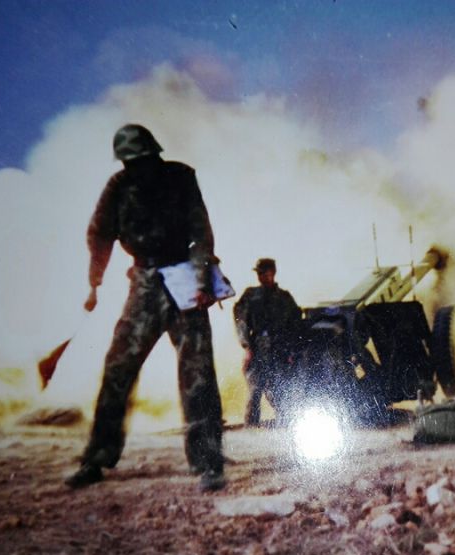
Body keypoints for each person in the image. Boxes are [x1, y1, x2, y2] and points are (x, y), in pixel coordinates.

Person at [65, 123, 226, 492]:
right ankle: (97, 459)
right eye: (131, 162)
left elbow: (201, 232)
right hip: (144, 284)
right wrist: (95, 281)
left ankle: (208, 463)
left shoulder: (181, 178)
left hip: (185, 280)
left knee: (198, 372)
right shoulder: (118, 187)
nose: (138, 167)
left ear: (155, 154)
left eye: (143, 159)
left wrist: (203, 283)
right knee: (118, 367)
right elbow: (99, 233)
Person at [233, 258, 302, 426]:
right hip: (258, 347)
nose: (261, 276)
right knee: (255, 389)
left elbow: (296, 323)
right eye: (259, 273)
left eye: (264, 272)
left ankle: (286, 425)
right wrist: (247, 346)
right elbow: (240, 320)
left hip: (281, 348)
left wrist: (292, 350)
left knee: (279, 391)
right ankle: (251, 427)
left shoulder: (284, 298)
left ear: (273, 273)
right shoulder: (250, 295)